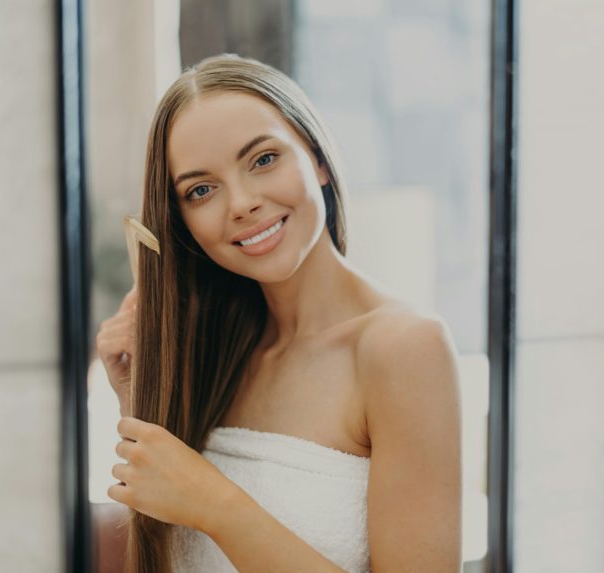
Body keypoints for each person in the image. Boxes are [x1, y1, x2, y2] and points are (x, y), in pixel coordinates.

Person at [95, 54, 462, 573]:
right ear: (184, 224)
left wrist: (217, 504)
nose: (241, 203)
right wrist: (137, 398)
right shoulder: (213, 350)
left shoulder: (403, 348)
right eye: (201, 190)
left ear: (316, 158)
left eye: (263, 159)